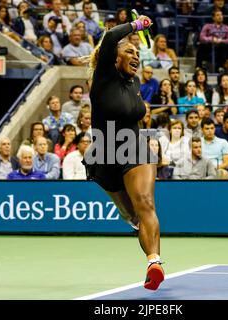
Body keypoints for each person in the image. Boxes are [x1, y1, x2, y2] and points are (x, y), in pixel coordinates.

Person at [83, 16, 164, 290]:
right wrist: (137, 26)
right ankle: (139, 232)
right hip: (104, 153)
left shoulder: (135, 82)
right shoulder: (104, 76)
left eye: (138, 53)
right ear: (113, 58)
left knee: (145, 203)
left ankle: (154, 262)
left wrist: (148, 143)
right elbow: (110, 37)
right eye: (129, 51)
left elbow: (135, 117)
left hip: (133, 146)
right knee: (132, 215)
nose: (136, 56)